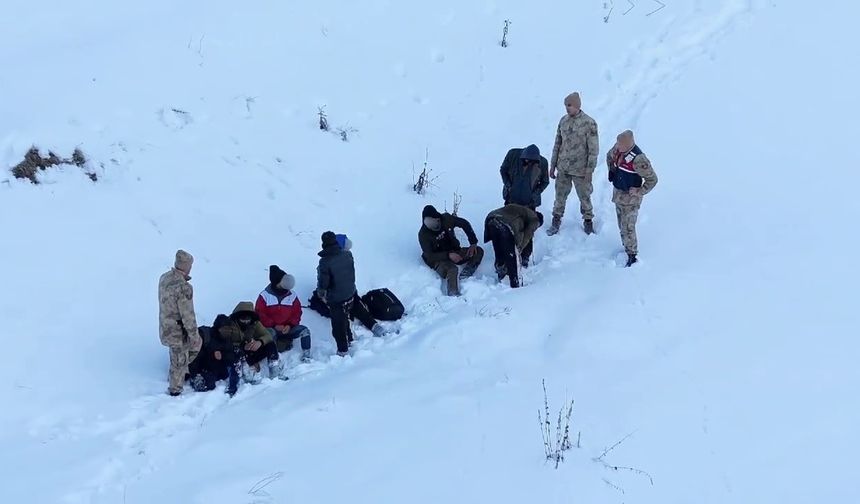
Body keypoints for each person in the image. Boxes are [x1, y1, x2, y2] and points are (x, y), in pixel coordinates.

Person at [548, 92, 600, 236]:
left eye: (569, 105)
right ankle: (556, 220)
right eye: (566, 105)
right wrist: (553, 165)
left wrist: (590, 170)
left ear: (577, 105)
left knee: (585, 197)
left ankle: (588, 221)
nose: (567, 108)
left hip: (581, 170)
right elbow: (557, 143)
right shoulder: (563, 121)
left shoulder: (589, 123)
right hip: (563, 167)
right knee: (559, 196)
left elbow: (594, 149)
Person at [606, 130, 658, 267]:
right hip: (618, 195)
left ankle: (632, 255)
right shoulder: (618, 149)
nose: (617, 146)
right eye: (617, 143)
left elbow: (652, 179)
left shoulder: (639, 159)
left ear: (628, 145)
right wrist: (612, 170)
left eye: (620, 144)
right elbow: (609, 156)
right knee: (621, 225)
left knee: (628, 227)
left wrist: (640, 191)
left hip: (631, 200)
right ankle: (625, 247)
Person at [158, 249, 202, 396]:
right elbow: (187, 315)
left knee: (176, 355)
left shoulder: (164, 278)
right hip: (178, 329)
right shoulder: (184, 287)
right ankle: (175, 389)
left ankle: (177, 374)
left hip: (165, 326)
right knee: (182, 356)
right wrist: (194, 335)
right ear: (186, 266)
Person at [212, 302, 283, 388]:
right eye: (243, 319)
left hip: (251, 350)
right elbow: (223, 341)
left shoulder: (255, 323)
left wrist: (260, 342)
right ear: (237, 317)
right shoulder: (229, 324)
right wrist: (242, 346)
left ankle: (275, 372)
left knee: (270, 345)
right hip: (236, 354)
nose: (245, 322)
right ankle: (239, 380)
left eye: (248, 319)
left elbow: (267, 335)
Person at [500, 144, 549, 266]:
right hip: (511, 198)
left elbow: (545, 181)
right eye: (527, 160)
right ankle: (507, 251)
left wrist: (535, 193)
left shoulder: (542, 162)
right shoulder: (512, 154)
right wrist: (508, 185)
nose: (529, 162)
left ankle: (525, 255)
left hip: (529, 202)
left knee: (528, 227)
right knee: (510, 224)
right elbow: (503, 170)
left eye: (533, 161)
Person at [418, 205, 484, 296]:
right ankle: (453, 294)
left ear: (438, 219)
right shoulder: (423, 235)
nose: (434, 227)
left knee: (478, 251)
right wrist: (448, 255)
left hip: (454, 250)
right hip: (438, 259)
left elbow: (464, 223)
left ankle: (466, 274)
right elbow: (430, 256)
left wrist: (473, 243)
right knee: (452, 269)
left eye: (436, 224)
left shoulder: (446, 219)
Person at [256, 265, 312, 362]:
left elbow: (297, 312)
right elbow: (260, 315)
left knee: (305, 331)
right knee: (270, 335)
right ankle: (273, 361)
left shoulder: (292, 295)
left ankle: (306, 356)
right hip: (271, 329)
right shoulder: (264, 296)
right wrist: (274, 325)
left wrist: (290, 325)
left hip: (288, 329)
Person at [317, 231, 359, 356]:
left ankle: (343, 351)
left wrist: (321, 295)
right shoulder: (347, 254)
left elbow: (323, 284)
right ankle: (350, 338)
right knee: (344, 317)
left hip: (336, 299)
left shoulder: (325, 262)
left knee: (337, 326)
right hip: (350, 293)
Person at [483, 204, 543, 288]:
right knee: (511, 257)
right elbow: (527, 235)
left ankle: (501, 273)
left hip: (491, 219)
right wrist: (519, 248)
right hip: (505, 224)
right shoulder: (535, 219)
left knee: (499, 250)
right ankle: (514, 285)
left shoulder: (521, 210)